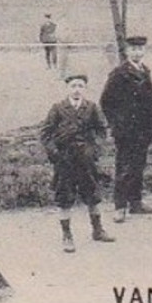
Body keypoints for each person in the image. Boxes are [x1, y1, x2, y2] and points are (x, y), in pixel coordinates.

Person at [39, 73, 116, 253]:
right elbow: (45, 134)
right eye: (73, 86)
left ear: (85, 89)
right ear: (67, 88)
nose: (76, 90)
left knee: (92, 194)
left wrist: (94, 150)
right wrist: (55, 153)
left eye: (80, 86)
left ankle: (97, 230)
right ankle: (67, 235)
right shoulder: (58, 108)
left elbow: (101, 131)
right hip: (64, 161)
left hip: (85, 160)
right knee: (64, 198)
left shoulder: (91, 107)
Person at [101, 34, 152, 223]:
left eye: (140, 49)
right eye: (133, 49)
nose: (137, 52)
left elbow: (150, 102)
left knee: (139, 165)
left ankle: (136, 202)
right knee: (124, 167)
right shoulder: (119, 74)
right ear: (127, 51)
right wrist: (117, 124)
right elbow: (106, 101)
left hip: (143, 129)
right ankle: (119, 206)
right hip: (126, 131)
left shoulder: (146, 71)